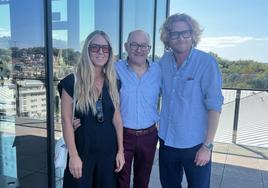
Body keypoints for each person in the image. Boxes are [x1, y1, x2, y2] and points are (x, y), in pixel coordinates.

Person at [158, 13, 224, 188]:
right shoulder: (163, 62)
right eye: (174, 33)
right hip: (167, 141)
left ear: (193, 35)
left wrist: (207, 146)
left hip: (195, 144)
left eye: (185, 33)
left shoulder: (207, 63)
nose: (180, 38)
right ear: (168, 37)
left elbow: (214, 107)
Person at [58, 30, 125, 188]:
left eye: (105, 48)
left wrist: (120, 151)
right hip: (82, 151)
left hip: (108, 153)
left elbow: (117, 119)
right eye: (95, 47)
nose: (101, 52)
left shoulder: (114, 82)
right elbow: (66, 121)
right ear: (87, 50)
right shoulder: (72, 82)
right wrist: (73, 155)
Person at [116, 30, 161, 188]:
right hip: (123, 136)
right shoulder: (115, 69)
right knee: (121, 181)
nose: (139, 49)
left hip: (149, 136)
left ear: (149, 48)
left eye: (143, 45)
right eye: (134, 44)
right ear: (126, 46)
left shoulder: (158, 71)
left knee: (142, 182)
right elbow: (96, 90)